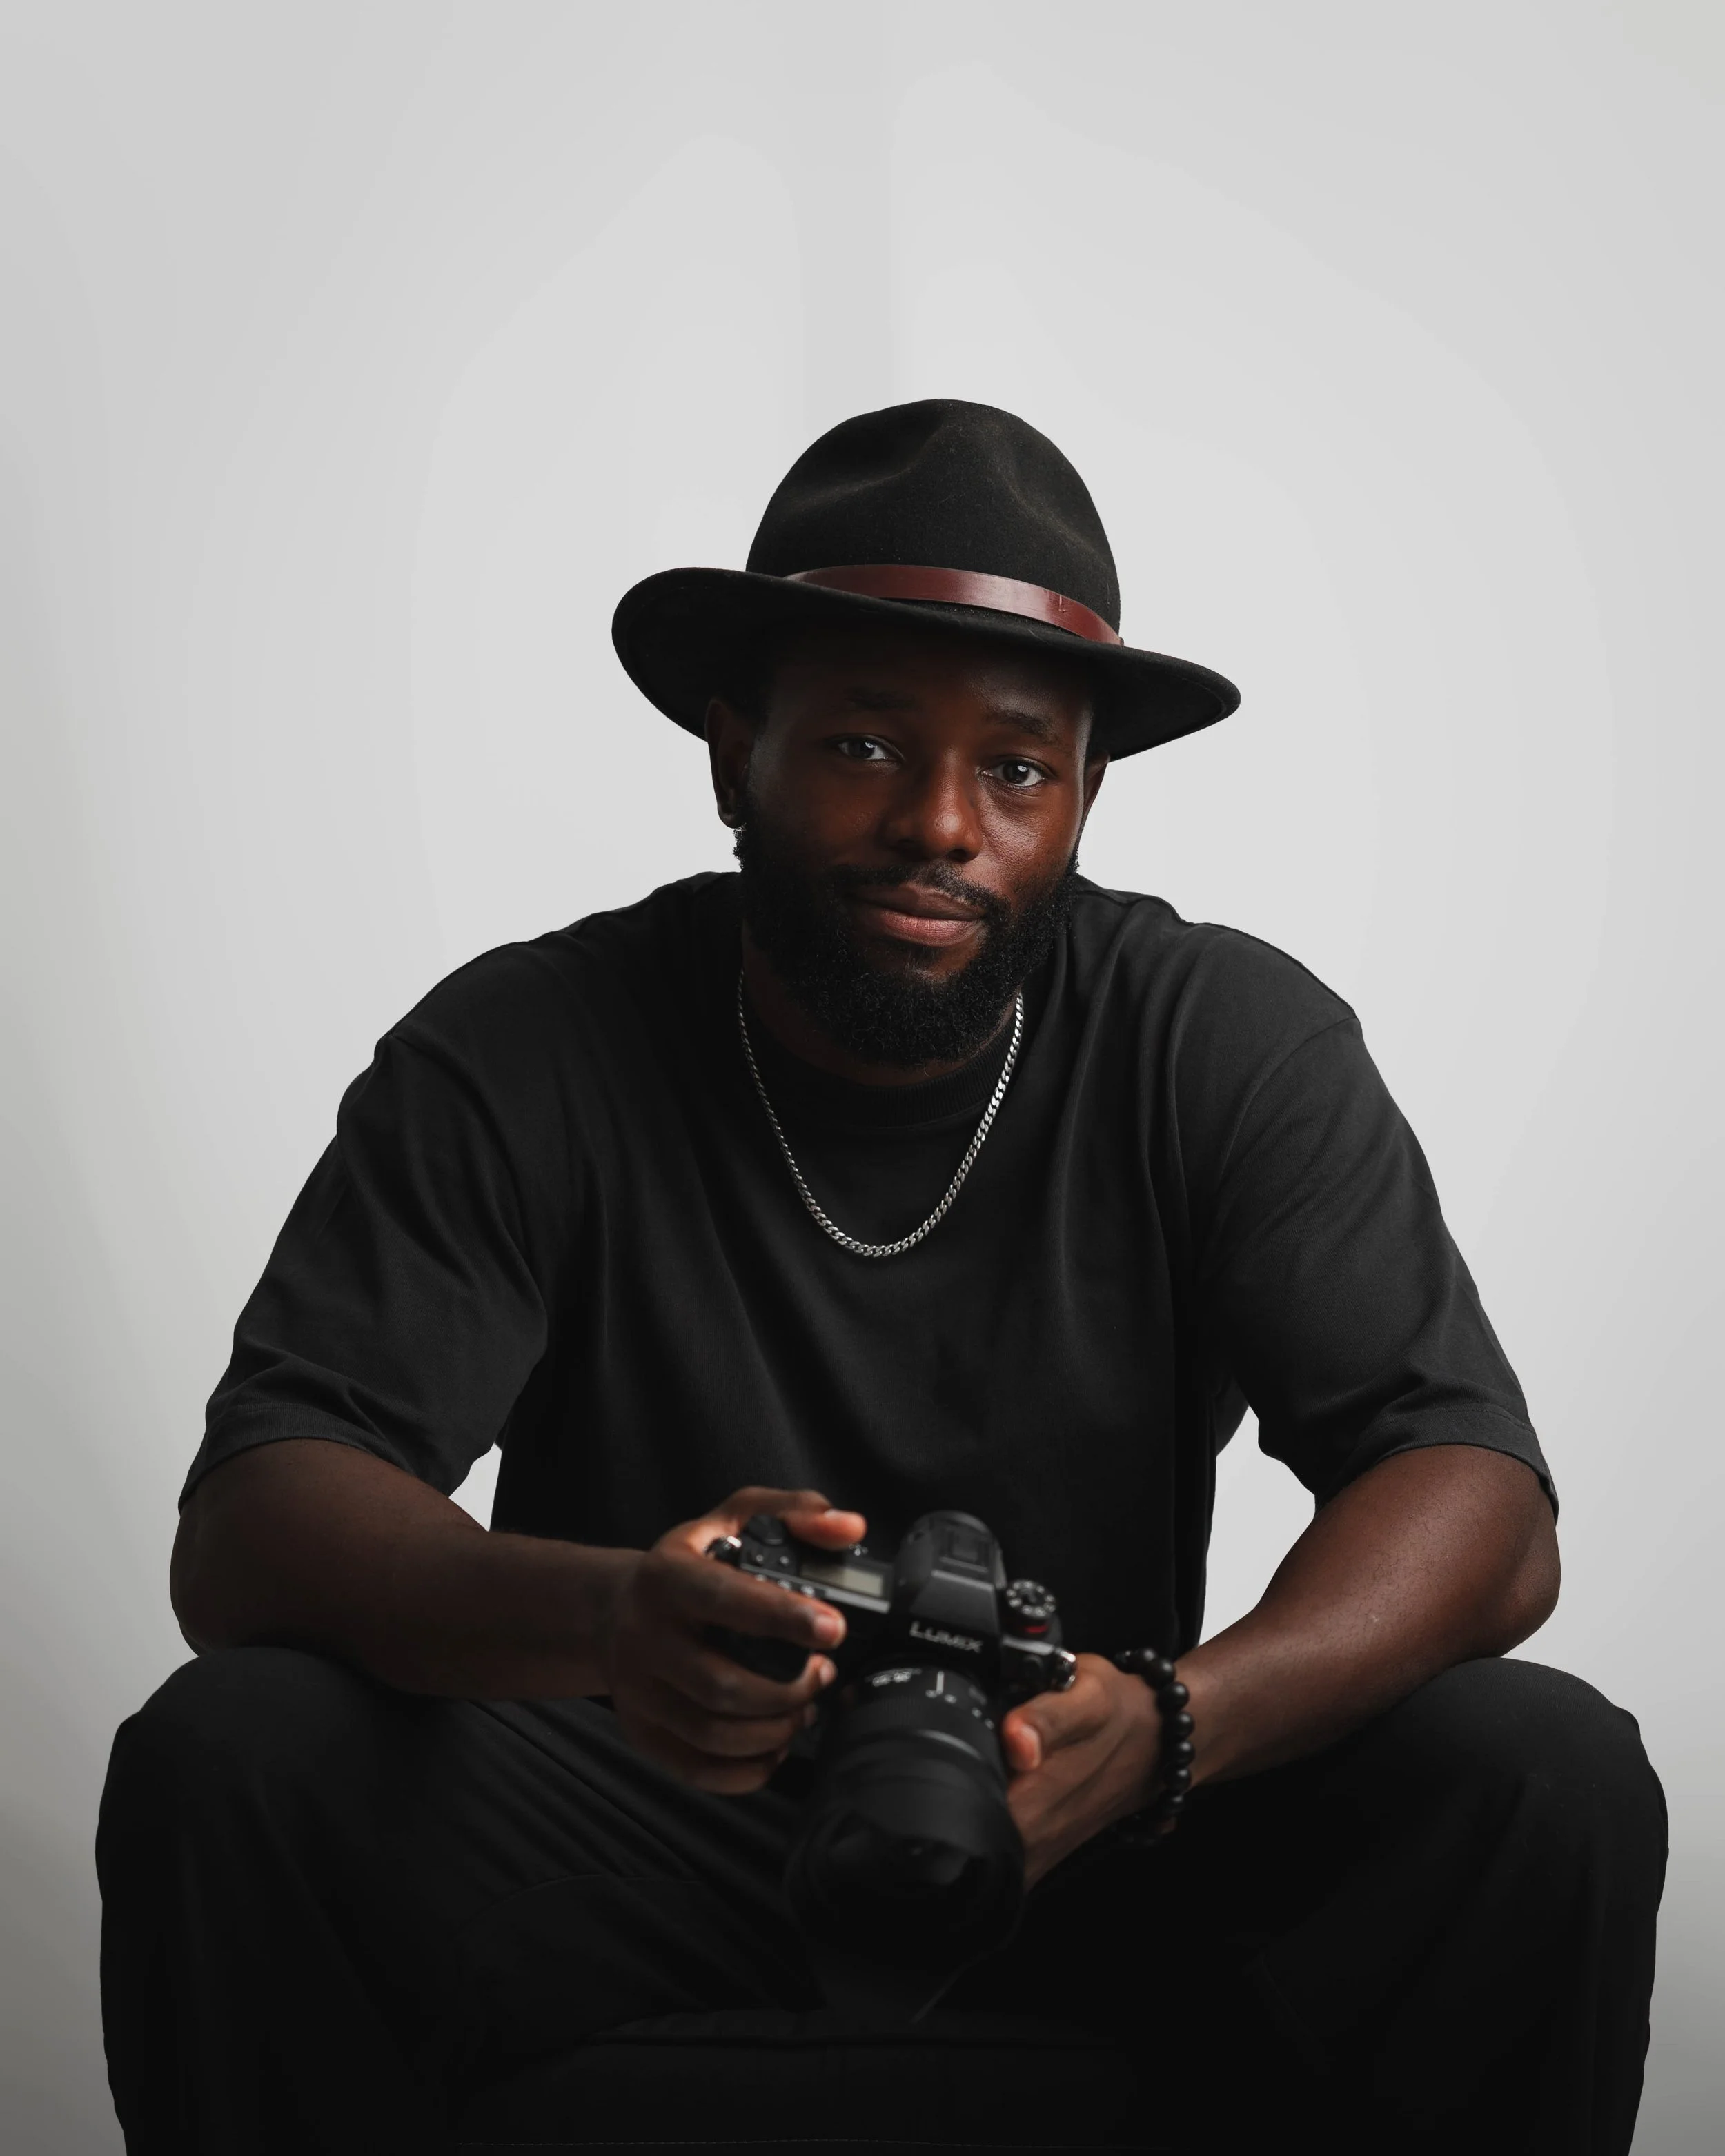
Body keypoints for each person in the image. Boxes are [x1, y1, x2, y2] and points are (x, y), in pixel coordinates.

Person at [97, 400, 1664, 2153]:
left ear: (1078, 798)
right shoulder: (527, 1043)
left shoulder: (1220, 1039)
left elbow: (1476, 1498)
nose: (939, 821)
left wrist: (1167, 1725)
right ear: (731, 752)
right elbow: (253, 1521)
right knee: (235, 1751)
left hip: (1088, 1816)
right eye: (857, 742)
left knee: (1542, 1768)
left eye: (1014, 767)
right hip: (656, 1798)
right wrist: (611, 1621)